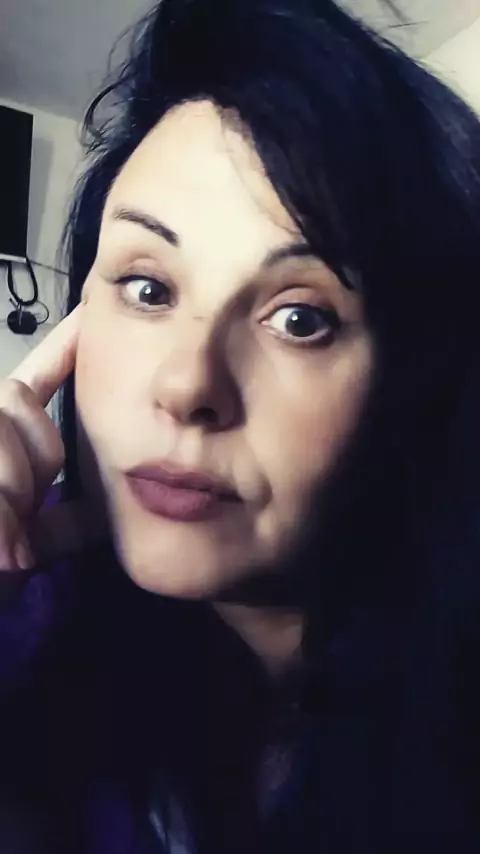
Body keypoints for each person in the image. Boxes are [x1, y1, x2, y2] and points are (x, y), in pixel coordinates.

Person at [1, 0, 480, 851]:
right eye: (148, 288)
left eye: (301, 319)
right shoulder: (31, 607)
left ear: (417, 378)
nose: (188, 385)